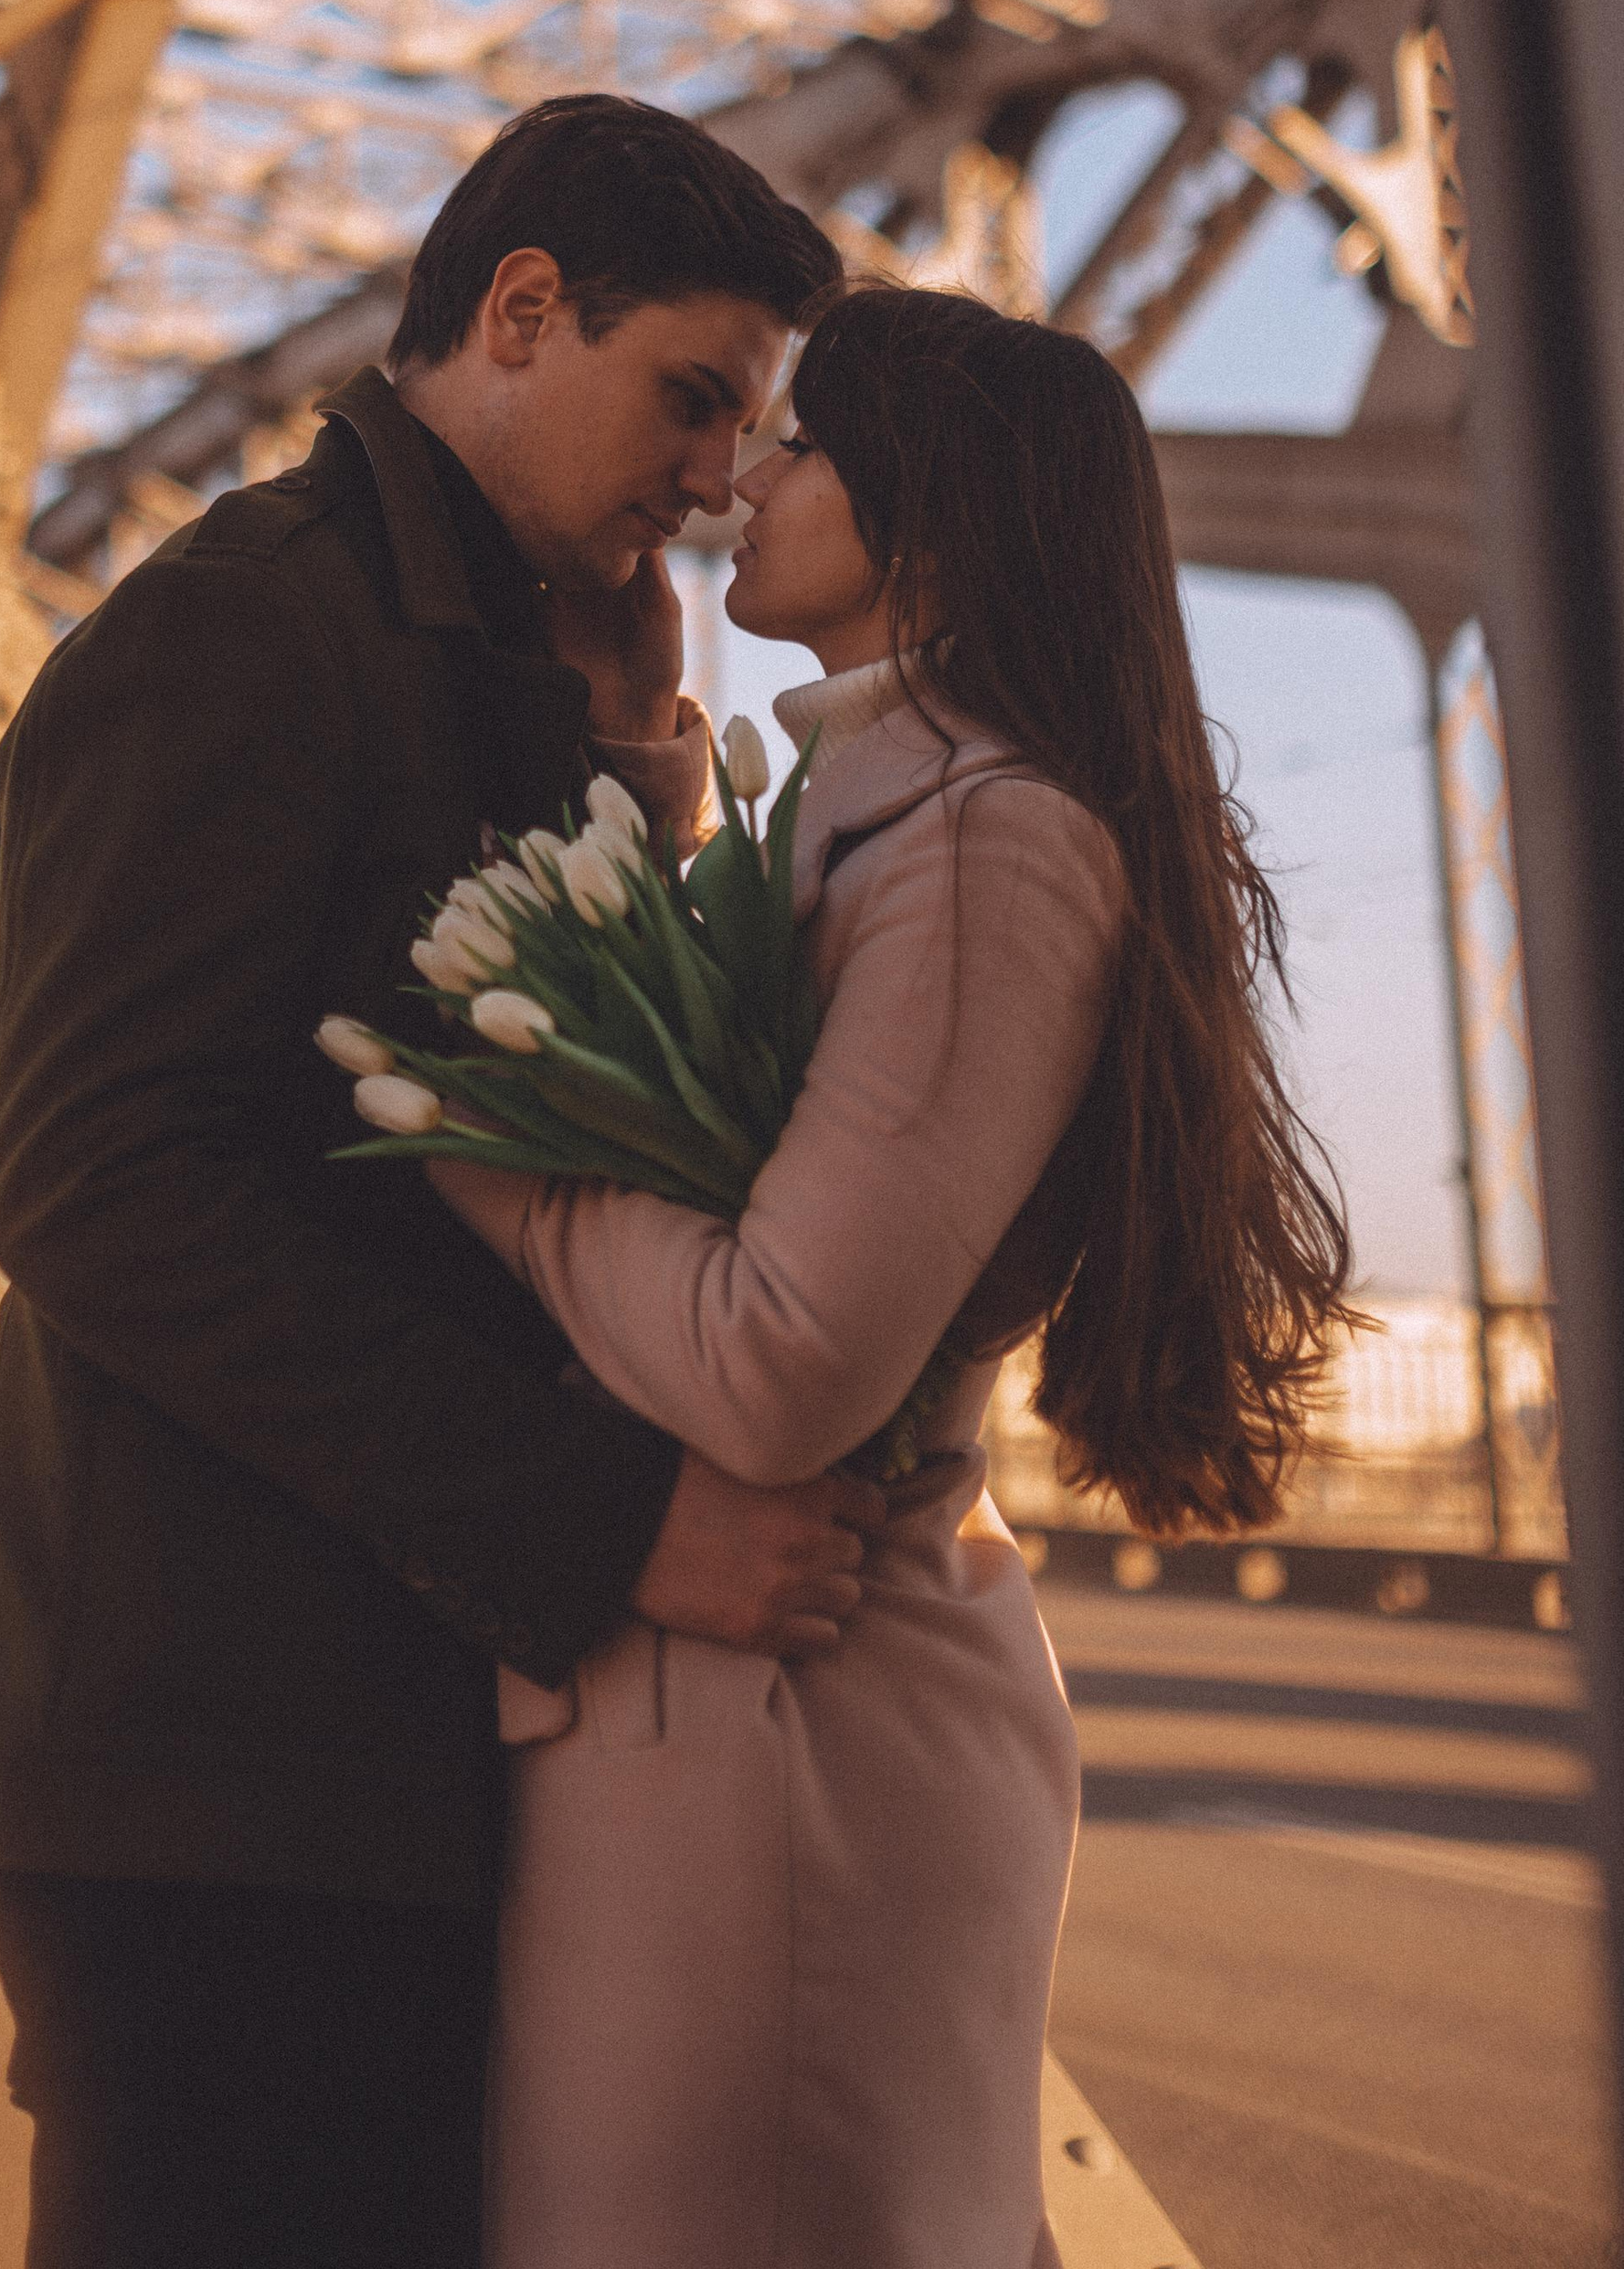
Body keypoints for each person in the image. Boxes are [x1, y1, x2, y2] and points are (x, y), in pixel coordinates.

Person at [0, 95, 876, 2269]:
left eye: (747, 423)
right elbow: (95, 1182)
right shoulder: (241, 630)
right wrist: (609, 1522)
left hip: (323, 1736)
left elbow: (548, 1127)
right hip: (206, 1758)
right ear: (521, 310)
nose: (720, 477)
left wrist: (637, 770)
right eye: (690, 396)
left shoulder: (471, 645)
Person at [433, 279, 1354, 2269]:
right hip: (734, 1725)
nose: (741, 476)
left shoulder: (981, 840)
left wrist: (482, 1160)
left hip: (790, 1755)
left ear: (923, 516)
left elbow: (779, 1367)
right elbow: (750, 1125)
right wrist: (645, 779)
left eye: (803, 443)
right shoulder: (883, 801)